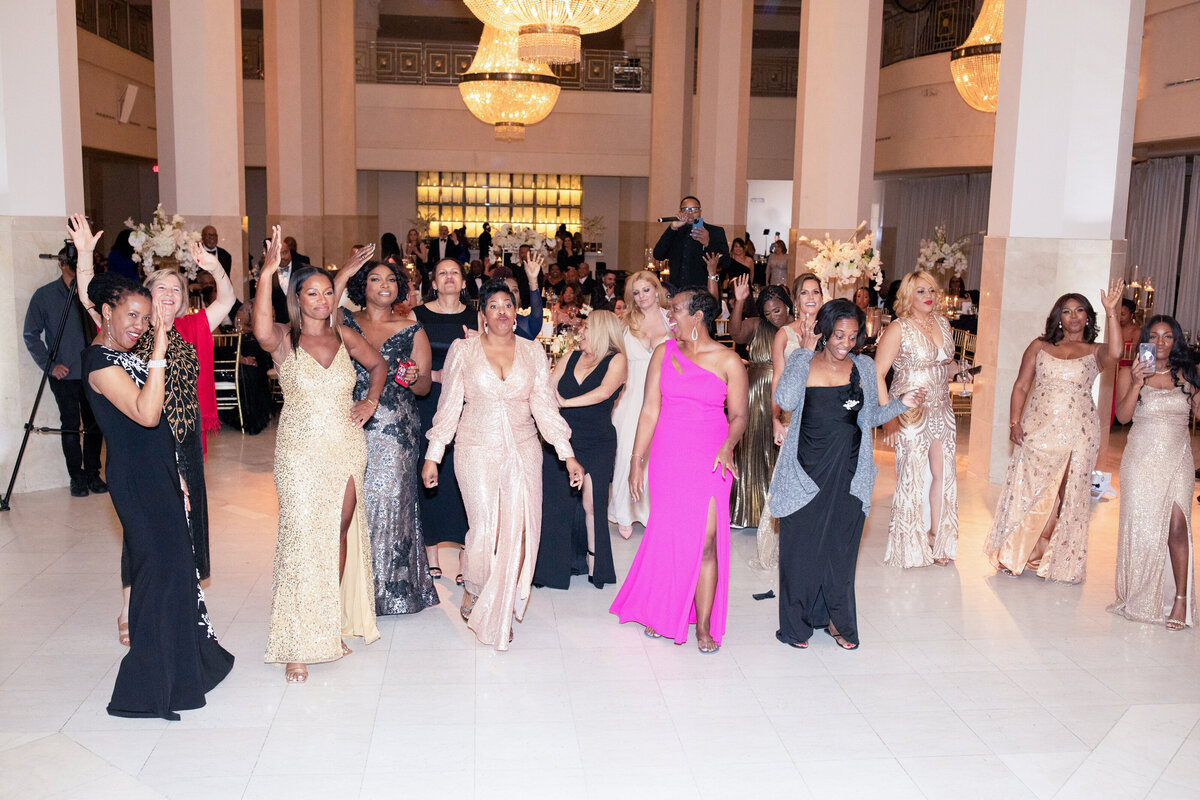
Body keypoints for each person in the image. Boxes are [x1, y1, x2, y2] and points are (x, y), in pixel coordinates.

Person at [81, 271, 233, 718]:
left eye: (146, 319)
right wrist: (160, 350)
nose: (141, 326)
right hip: (136, 481)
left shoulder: (121, 352)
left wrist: (178, 476)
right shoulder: (99, 362)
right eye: (132, 316)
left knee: (176, 572)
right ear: (106, 313)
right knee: (156, 575)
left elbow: (160, 429)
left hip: (161, 472)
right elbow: (148, 414)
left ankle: (186, 670)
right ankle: (144, 688)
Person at [422, 281, 584, 650]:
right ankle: (478, 589)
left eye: (507, 305)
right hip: (474, 447)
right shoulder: (463, 351)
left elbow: (544, 406)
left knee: (519, 532)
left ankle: (501, 605)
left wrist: (566, 452)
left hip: (524, 450)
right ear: (482, 315)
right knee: (484, 529)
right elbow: (448, 407)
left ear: (516, 312)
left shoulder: (532, 353)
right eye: (493, 306)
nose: (501, 312)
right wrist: (433, 456)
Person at [254, 227, 385, 683]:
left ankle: (326, 627)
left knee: (337, 534)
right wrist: (267, 273)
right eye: (312, 293)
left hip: (347, 446)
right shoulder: (284, 340)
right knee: (300, 539)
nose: (322, 301)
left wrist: (370, 401)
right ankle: (296, 642)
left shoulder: (346, 335)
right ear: (297, 299)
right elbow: (257, 327)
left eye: (328, 293)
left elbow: (379, 365)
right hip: (299, 451)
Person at [770, 299, 923, 650]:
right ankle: (796, 625)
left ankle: (837, 621)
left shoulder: (864, 367)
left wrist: (903, 404)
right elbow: (786, 400)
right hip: (806, 473)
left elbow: (868, 418)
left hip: (850, 471)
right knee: (801, 552)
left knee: (840, 551)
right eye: (838, 334)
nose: (845, 343)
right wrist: (804, 355)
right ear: (824, 330)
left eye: (852, 336)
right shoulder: (802, 361)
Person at [609, 287, 748, 653]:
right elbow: (650, 409)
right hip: (669, 458)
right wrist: (636, 461)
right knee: (669, 536)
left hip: (711, 458)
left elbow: (739, 416)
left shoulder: (728, 360)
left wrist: (729, 445)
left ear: (698, 316)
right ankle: (665, 610)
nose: (669, 316)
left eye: (676, 310)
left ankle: (702, 625)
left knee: (705, 543)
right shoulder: (663, 352)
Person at [985, 282, 1126, 583]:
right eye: (1067, 311)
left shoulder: (1095, 351)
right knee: (1033, 490)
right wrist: (1014, 422)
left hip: (1079, 431)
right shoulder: (1040, 346)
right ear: (1057, 317)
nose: (1073, 317)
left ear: (1088, 317)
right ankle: (1019, 553)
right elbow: (1021, 385)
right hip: (1038, 429)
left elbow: (1117, 352)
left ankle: (1058, 560)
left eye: (1080, 311)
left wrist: (1112, 311)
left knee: (1068, 493)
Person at [337, 257, 439, 616]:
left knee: (391, 502)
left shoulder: (412, 328)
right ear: (361, 285)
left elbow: (425, 385)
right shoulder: (343, 322)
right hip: (348, 421)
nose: (384, 285)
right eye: (376, 278)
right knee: (350, 503)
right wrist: (343, 272)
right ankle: (349, 588)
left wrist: (415, 379)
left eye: (392, 280)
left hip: (396, 428)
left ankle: (389, 592)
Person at [1110, 315, 1197, 630]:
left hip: (1177, 457)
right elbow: (1122, 416)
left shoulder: (1187, 373)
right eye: (1155, 336)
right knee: (1143, 527)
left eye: (1168, 336)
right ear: (1145, 339)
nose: (1161, 342)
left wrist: (1193, 386)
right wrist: (1135, 382)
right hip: (1140, 458)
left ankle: (1179, 601)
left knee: (1177, 524)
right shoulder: (1129, 372)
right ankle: (1141, 594)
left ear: (1176, 341)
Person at [535, 310, 627, 590]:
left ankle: (593, 564)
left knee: (592, 504)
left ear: (600, 331)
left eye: (586, 329)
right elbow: (549, 388)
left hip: (597, 438)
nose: (580, 333)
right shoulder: (570, 357)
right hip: (562, 438)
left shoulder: (617, 360)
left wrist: (564, 403)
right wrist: (549, 406)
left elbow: (604, 392)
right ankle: (550, 568)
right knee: (554, 501)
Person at [874, 270, 959, 568]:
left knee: (944, 474)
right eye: (921, 291)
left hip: (942, 408)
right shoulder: (898, 328)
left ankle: (939, 537)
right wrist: (889, 418)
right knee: (911, 476)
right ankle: (910, 544)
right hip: (909, 409)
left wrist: (958, 372)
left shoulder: (943, 323)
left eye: (932, 291)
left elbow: (945, 364)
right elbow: (877, 374)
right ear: (908, 296)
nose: (928, 297)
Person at [23, 230, 105, 498]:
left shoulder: (92, 294)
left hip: (93, 373)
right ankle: (77, 477)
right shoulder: (44, 296)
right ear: (60, 264)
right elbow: (31, 334)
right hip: (65, 373)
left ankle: (94, 473)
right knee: (70, 424)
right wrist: (50, 365)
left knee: (95, 425)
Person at [413, 259, 476, 585]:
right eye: (443, 273)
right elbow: (401, 361)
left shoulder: (476, 316)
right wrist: (431, 375)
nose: (449, 277)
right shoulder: (416, 315)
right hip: (427, 403)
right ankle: (431, 554)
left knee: (463, 477)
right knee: (429, 475)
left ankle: (468, 557)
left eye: (455, 272)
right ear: (434, 283)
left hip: (466, 407)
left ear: (463, 281)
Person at [727, 277, 794, 529]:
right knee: (750, 449)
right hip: (754, 394)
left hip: (785, 394)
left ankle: (776, 515)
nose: (773, 316)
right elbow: (735, 333)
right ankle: (745, 512)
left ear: (788, 305)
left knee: (779, 452)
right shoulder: (757, 324)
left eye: (777, 310)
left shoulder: (797, 328)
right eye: (768, 312)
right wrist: (740, 302)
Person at [608, 270, 670, 538]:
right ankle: (624, 511)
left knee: (657, 455)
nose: (642, 296)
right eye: (636, 292)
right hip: (631, 395)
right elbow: (611, 357)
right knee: (626, 453)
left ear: (656, 290)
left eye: (646, 290)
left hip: (665, 395)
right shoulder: (625, 321)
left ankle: (651, 512)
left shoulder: (672, 320)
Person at [652, 196, 730, 290]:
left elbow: (725, 262)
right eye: (686, 209)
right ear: (680, 212)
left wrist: (707, 243)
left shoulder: (715, 231)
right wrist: (672, 228)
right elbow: (658, 254)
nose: (690, 213)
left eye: (694, 210)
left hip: (703, 291)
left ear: (700, 211)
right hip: (677, 291)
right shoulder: (675, 232)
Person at [1111, 298, 1140, 426]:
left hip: (1126, 366)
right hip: (1114, 365)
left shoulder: (1136, 331)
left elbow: (1135, 353)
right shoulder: (1114, 329)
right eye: (1119, 314)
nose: (1121, 317)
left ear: (1132, 314)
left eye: (1124, 314)